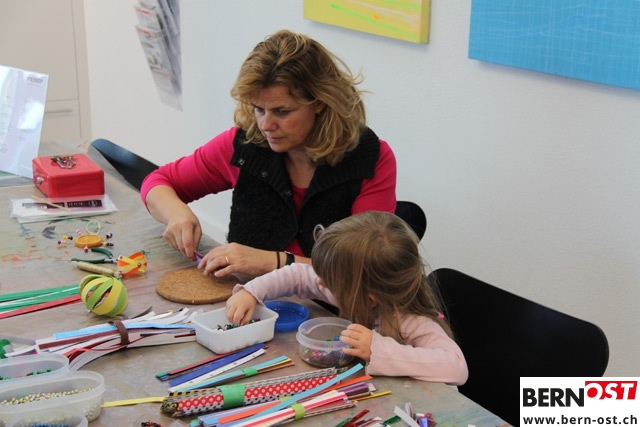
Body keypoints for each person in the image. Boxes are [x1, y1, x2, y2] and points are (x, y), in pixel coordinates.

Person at [140, 29, 397, 279]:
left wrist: (274, 261)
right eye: (258, 109)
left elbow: (365, 272)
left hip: (328, 306)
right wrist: (176, 214)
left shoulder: (371, 159)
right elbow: (158, 182)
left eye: (282, 112)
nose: (265, 125)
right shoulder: (245, 144)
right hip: (246, 301)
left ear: (320, 102)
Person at [225, 211, 468, 385]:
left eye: (328, 280)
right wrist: (252, 291)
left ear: (370, 299)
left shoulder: (411, 321)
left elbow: (457, 367)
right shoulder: (349, 289)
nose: (320, 283)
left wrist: (377, 348)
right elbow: (298, 274)